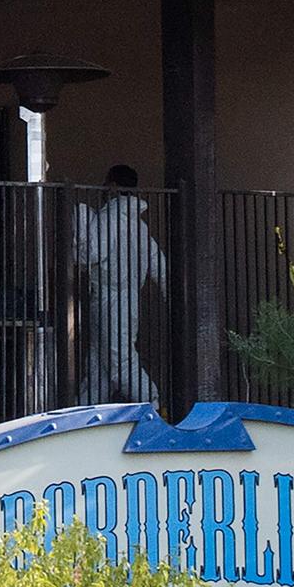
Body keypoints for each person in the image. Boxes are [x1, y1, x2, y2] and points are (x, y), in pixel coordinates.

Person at [75, 165, 167, 409]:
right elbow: (159, 265)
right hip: (129, 299)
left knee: (119, 362)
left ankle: (154, 405)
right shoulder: (140, 227)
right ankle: (85, 412)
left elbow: (91, 254)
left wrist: (81, 225)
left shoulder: (109, 219)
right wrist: (174, 297)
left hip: (110, 298)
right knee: (101, 365)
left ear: (113, 185)